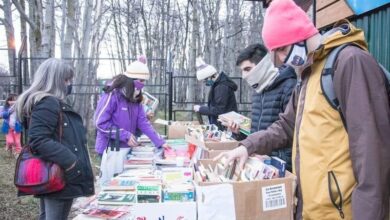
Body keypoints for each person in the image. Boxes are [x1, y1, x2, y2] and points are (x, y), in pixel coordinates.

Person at [217, 0, 390, 219]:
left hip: (342, 213)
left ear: (299, 33)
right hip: (312, 211)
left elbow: (372, 154)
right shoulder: (309, 74)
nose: (281, 59)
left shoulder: (350, 62)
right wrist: (247, 146)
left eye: (282, 49)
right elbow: (284, 127)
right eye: (276, 52)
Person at [15, 58, 95, 220]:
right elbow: (38, 140)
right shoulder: (48, 103)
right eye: (67, 80)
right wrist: (71, 162)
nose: (69, 84)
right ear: (57, 81)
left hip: (57, 171)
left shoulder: (48, 103)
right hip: (59, 173)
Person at [224, 44, 296, 171]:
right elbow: (257, 131)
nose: (244, 76)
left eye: (247, 69)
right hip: (258, 164)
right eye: (242, 71)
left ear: (262, 65)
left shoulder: (289, 86)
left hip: (280, 168)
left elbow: (290, 132)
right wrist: (239, 133)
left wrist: (270, 157)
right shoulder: (258, 92)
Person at [94, 60, 168, 175]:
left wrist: (159, 141)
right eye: (141, 81)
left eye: (144, 81)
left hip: (127, 148)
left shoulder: (135, 97)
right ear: (131, 80)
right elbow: (100, 123)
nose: (142, 84)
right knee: (111, 181)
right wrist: (125, 135)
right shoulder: (112, 95)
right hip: (110, 149)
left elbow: (143, 122)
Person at [193, 57, 238, 130]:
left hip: (226, 125)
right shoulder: (218, 85)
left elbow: (219, 110)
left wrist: (200, 109)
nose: (205, 83)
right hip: (223, 123)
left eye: (205, 80)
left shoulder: (221, 87)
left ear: (210, 77)